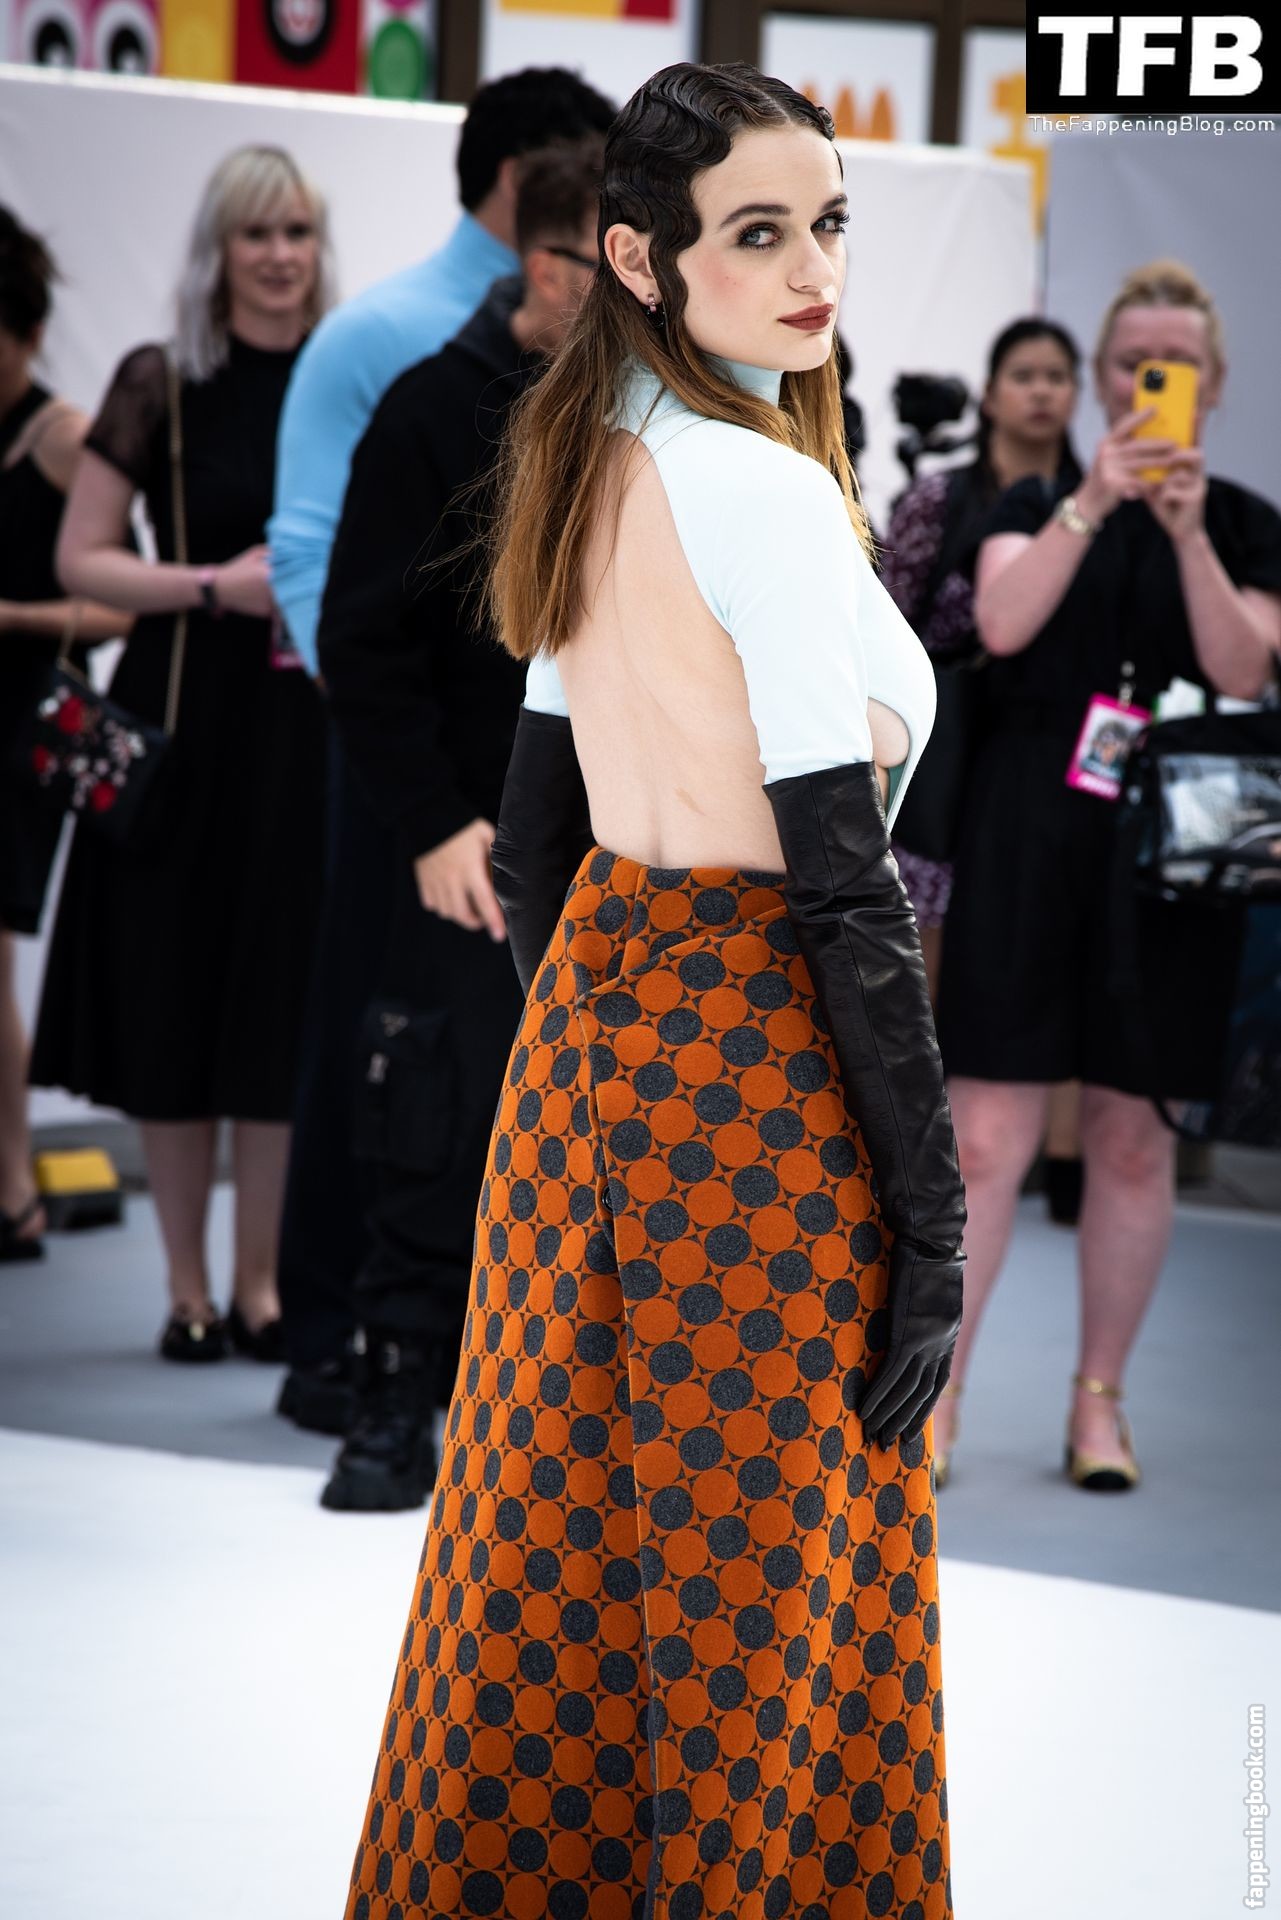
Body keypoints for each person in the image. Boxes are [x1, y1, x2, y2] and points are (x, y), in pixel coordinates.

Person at [344, 61, 963, 1920]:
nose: (812, 270)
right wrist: (934, 1232)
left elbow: (540, 843)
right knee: (763, 1594)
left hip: (594, 1058)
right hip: (760, 1078)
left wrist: (604, 1048)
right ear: (638, 257)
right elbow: (843, 886)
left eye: (828, 223)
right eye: (757, 234)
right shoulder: (754, 492)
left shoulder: (592, 458)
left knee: (549, 1561)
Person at [269, 67, 617, 1437]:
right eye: (602, 266)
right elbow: (360, 641)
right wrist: (429, 822)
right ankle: (393, 1377)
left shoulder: (628, 417)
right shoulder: (426, 403)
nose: (628, 294)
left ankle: (532, 1400)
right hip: (459, 834)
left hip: (597, 840)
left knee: (569, 1131)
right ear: (543, 261)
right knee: (428, 1102)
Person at [934, 259, 1281, 1491]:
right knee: (986, 1138)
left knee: (1133, 1140)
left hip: (1176, 852)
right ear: (1099, 376)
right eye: (1134, 364)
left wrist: (1185, 536)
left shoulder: (1242, 522)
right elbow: (1004, 624)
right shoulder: (1033, 498)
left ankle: (1098, 1408)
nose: (1152, 385)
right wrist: (1093, 500)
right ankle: (940, 1398)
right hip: (1029, 830)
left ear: (1215, 383)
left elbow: (1244, 670)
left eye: (1176, 367)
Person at [31, 147, 332, 1362]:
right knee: (174, 1004)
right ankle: (187, 1289)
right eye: (257, 234)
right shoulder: (159, 380)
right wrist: (213, 586)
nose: (280, 256)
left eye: (297, 232)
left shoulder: (345, 374)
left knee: (278, 1009)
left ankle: (261, 1287)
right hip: (180, 727)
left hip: (306, 736)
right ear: (218, 251)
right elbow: (83, 558)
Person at [881, 317, 1083, 990]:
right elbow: (890, 624)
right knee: (926, 966)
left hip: (1045, 758)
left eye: (1056, 377)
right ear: (990, 395)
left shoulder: (1095, 504)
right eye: (1023, 376)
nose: (1040, 392)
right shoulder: (940, 499)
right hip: (947, 758)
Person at [0, 207, 128, 1263]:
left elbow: (120, 603)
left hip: (21, 727)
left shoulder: (61, 436)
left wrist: (14, 618)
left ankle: (13, 1187)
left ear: (30, 332)